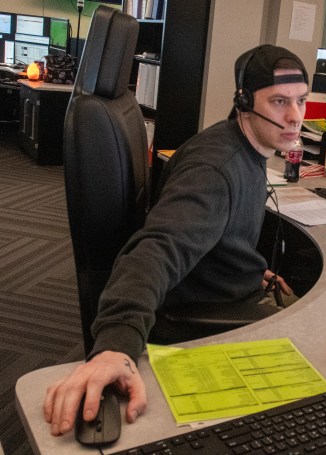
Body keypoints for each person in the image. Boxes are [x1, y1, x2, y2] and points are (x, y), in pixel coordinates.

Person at [43, 44, 309, 437]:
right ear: (243, 101)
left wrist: (249, 270)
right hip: (204, 314)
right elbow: (157, 251)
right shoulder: (215, 172)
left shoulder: (239, 147)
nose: (295, 117)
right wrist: (115, 344)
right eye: (280, 101)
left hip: (227, 287)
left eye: (301, 101)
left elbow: (208, 233)